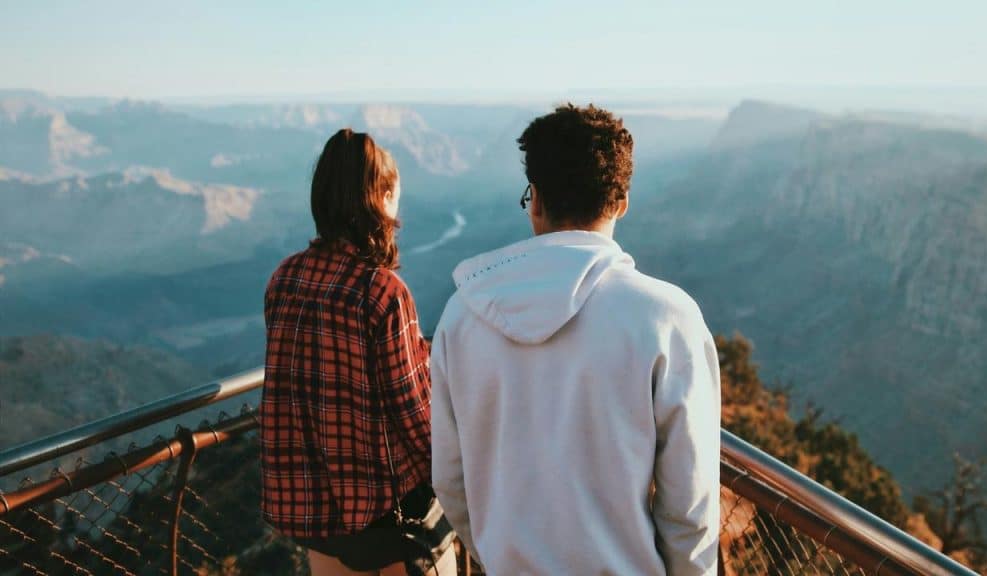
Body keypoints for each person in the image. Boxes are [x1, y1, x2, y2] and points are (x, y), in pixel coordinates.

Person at [430, 104, 721, 575]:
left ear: (537, 200)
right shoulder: (668, 319)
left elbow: (450, 478)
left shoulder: (461, 317)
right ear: (622, 201)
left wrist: (494, 554)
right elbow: (689, 505)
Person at [259, 129, 455, 576]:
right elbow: (414, 416)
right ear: (381, 198)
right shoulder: (382, 292)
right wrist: (461, 480)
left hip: (315, 509)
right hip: (385, 513)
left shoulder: (283, 279)